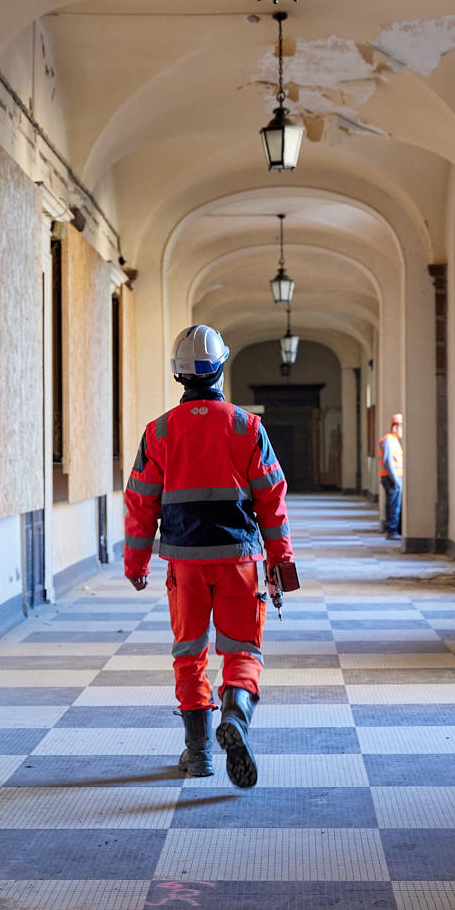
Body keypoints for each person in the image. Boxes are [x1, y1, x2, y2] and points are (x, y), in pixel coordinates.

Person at [123, 325, 294, 789]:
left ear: (178, 375)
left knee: (189, 653)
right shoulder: (247, 427)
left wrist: (136, 564)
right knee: (242, 648)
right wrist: (281, 564)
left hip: (185, 565)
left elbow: (140, 501)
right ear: (220, 367)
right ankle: (236, 718)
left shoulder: (158, 432)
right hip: (240, 561)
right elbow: (272, 501)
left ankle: (198, 753)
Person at [379, 413, 404, 540]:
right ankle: (392, 531)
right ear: (394, 428)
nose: (403, 431)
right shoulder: (388, 440)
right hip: (392, 479)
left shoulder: (394, 441)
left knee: (394, 504)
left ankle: (393, 529)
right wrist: (396, 480)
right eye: (401, 427)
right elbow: (388, 461)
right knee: (394, 505)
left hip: (394, 478)